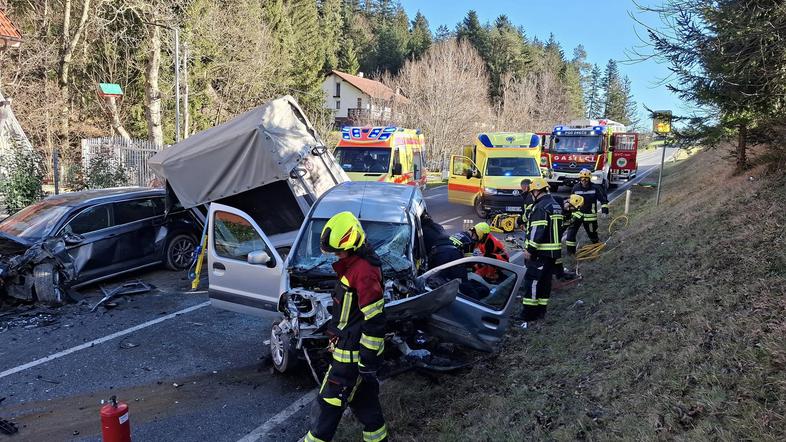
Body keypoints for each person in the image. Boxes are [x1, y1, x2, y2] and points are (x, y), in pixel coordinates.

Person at [304, 211, 388, 442]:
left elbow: (375, 320)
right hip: (348, 351)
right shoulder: (355, 266)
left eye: (339, 251)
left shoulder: (363, 271)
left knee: (327, 408)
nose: (336, 256)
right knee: (366, 406)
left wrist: (367, 360)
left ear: (352, 244)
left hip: (350, 358)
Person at [520, 177, 563, 327]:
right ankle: (541, 312)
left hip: (540, 253)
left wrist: (530, 249)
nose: (532, 195)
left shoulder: (541, 207)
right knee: (545, 283)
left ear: (537, 191)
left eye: (532, 192)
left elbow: (538, 230)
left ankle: (529, 316)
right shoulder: (555, 205)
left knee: (532, 282)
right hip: (552, 254)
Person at [565, 168, 609, 255]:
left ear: (589, 179)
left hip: (590, 217)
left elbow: (603, 200)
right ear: (579, 179)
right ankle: (571, 253)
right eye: (582, 179)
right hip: (576, 216)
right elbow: (571, 202)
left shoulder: (596, 188)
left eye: (586, 179)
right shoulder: (575, 188)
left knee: (592, 234)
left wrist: (604, 211)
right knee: (570, 235)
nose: (584, 181)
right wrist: (568, 216)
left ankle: (596, 247)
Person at [420, 211, 465, 282]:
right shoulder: (438, 226)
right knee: (461, 284)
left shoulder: (421, 231)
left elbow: (420, 251)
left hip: (441, 255)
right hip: (455, 252)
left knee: (440, 285)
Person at [552, 194, 584, 281]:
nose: (571, 210)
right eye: (572, 208)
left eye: (574, 209)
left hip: (555, 236)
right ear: (567, 202)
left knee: (556, 255)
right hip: (547, 235)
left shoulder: (568, 214)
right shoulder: (555, 203)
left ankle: (559, 273)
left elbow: (562, 227)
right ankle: (557, 273)